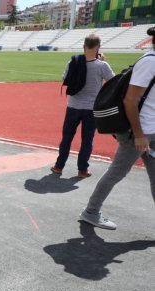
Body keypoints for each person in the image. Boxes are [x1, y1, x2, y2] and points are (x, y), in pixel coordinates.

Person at [79, 27, 155, 230]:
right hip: (138, 132)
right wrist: (139, 134)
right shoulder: (150, 62)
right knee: (117, 172)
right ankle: (91, 211)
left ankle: (91, 211)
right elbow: (130, 99)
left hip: (151, 129)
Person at [52, 34, 114, 178]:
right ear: (98, 47)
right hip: (91, 108)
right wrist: (103, 61)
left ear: (84, 46)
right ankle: (82, 170)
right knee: (87, 140)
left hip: (73, 106)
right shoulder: (102, 65)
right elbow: (113, 82)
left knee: (66, 138)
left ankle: (58, 166)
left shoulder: (73, 62)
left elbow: (64, 79)